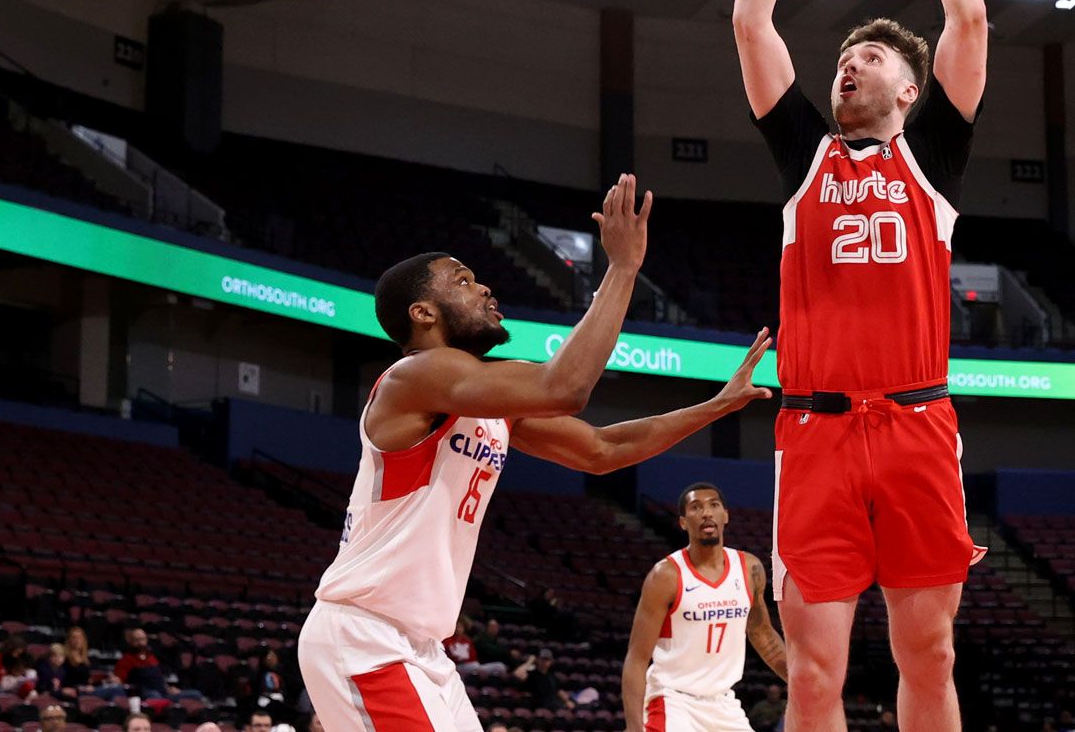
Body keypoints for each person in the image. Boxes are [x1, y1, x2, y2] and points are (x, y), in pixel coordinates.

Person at [300, 177, 773, 732]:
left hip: (422, 649)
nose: (484, 289)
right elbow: (564, 386)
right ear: (423, 313)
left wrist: (715, 408)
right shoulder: (415, 375)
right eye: (463, 280)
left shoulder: (487, 403)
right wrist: (621, 270)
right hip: (367, 638)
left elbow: (603, 449)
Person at [734, 0, 989, 732]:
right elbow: (753, 26)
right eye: (844, 57)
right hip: (817, 437)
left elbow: (967, 14)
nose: (851, 64)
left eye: (872, 57)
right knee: (811, 678)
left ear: (909, 87)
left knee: (929, 653)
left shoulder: (934, 156)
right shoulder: (808, 155)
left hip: (919, 428)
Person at [623, 484, 787, 732]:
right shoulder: (665, 576)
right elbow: (636, 658)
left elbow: (762, 634)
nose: (706, 513)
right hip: (673, 700)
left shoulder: (748, 568)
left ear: (725, 515)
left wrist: (800, 681)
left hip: (723, 703)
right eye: (696, 507)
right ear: (683, 522)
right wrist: (634, 728)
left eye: (713, 505)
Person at [112, 628, 169, 699]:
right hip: (143, 694)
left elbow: (160, 678)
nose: (141, 643)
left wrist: (169, 688)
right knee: (155, 695)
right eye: (137, 640)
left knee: (185, 695)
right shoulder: (126, 660)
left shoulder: (152, 657)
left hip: (163, 692)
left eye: (143, 639)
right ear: (131, 642)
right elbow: (119, 680)